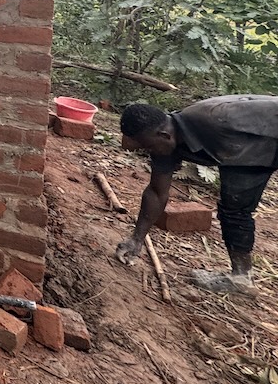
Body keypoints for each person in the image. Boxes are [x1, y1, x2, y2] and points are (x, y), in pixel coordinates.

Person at [117, 96, 278, 294]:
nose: (149, 152)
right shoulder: (164, 142)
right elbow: (157, 192)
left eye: (149, 147)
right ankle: (241, 278)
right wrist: (137, 239)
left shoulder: (217, 119)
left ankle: (241, 279)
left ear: (164, 135)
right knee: (233, 209)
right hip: (246, 151)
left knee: (235, 208)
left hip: (260, 143)